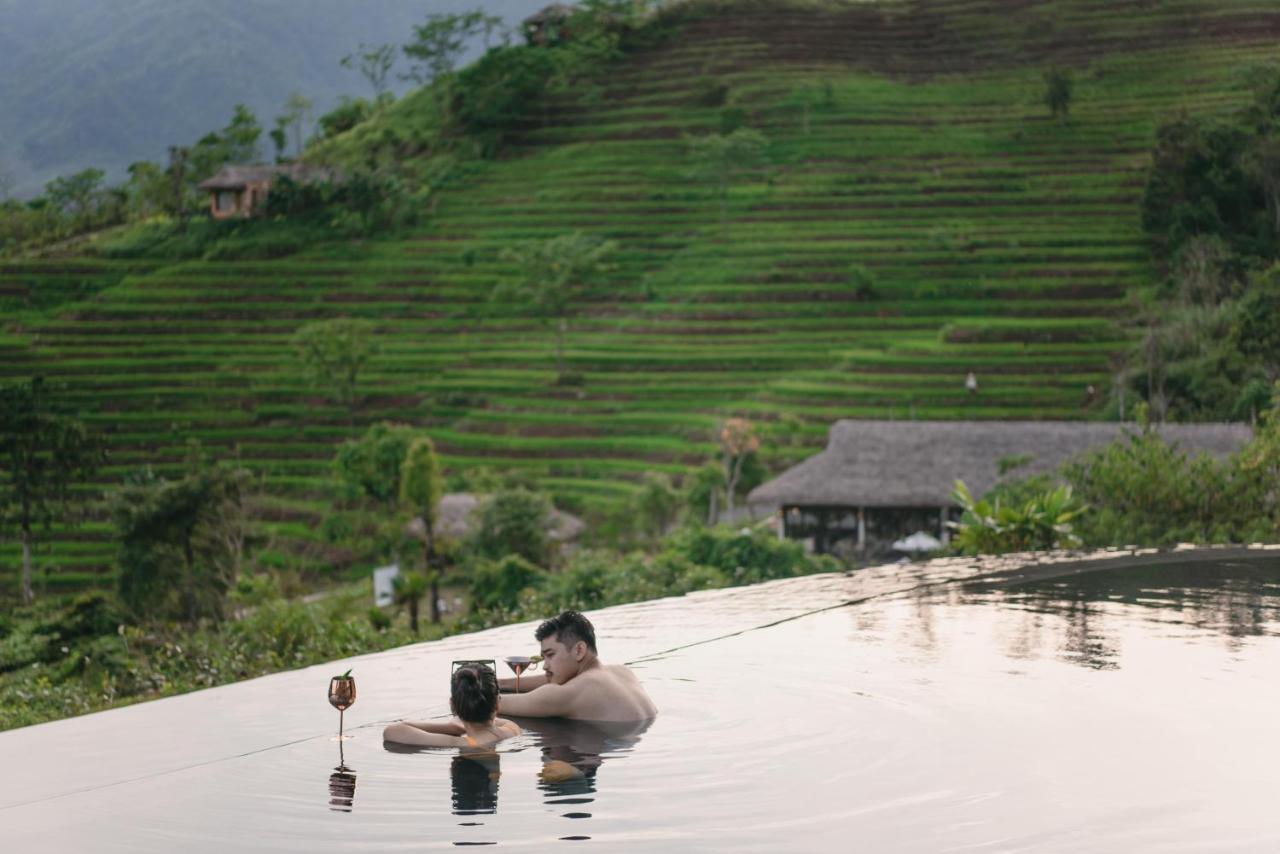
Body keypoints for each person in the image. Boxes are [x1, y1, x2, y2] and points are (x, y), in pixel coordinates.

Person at [496, 611, 657, 722]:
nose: (545, 666)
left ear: (579, 650)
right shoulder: (621, 671)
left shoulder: (569, 693)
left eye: (550, 655)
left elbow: (489, 704)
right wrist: (501, 683)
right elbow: (556, 679)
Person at [383, 663, 521, 748]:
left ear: (452, 706)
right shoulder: (512, 730)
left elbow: (392, 731)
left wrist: (451, 728)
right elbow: (499, 722)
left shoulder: (463, 743)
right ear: (497, 703)